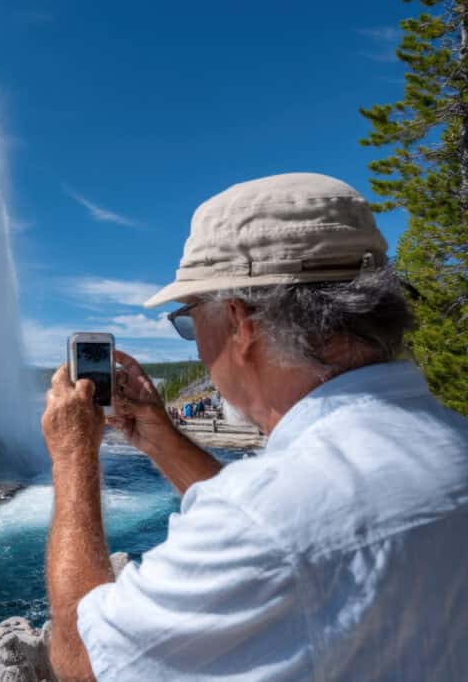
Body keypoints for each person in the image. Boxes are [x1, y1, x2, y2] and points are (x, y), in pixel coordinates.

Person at [42, 173, 468, 680]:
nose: (196, 346)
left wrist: (72, 456)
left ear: (241, 322)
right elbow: (285, 517)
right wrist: (156, 435)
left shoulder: (262, 516)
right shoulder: (449, 438)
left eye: (189, 320)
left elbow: (83, 657)